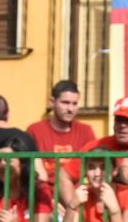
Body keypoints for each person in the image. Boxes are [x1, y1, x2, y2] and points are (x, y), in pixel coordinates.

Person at [25, 79, 97, 209]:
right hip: (43, 200)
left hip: (78, 199)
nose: (70, 109)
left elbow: (94, 168)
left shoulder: (86, 131)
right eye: (65, 103)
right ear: (52, 102)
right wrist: (50, 201)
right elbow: (30, 172)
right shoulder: (34, 131)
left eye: (74, 104)